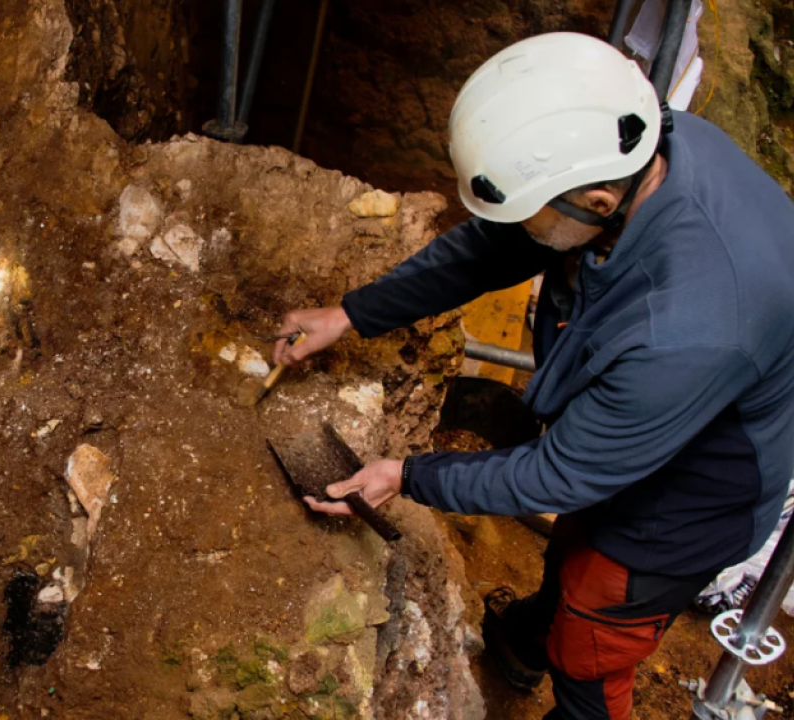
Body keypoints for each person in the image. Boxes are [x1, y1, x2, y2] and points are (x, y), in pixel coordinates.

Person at [273, 33, 794, 720]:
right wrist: (351, 313)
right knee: (574, 557)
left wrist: (404, 475)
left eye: (529, 213)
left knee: (593, 643)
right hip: (645, 427)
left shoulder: (688, 327)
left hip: (687, 506)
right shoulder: (638, 147)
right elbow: (490, 250)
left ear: (600, 205)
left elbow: (559, 475)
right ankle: (524, 640)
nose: (518, 227)